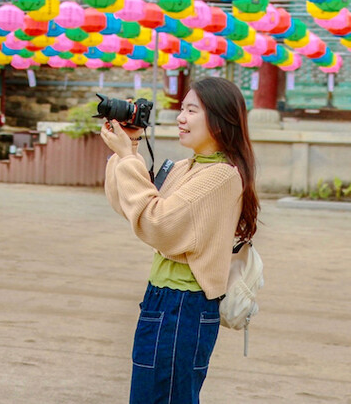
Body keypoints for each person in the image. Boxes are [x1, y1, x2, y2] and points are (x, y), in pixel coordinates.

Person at [101, 77, 259, 404]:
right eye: (182, 108)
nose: (180, 118)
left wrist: (128, 159)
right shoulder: (188, 167)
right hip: (162, 299)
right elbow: (133, 207)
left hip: (183, 305)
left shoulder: (220, 175)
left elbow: (158, 224)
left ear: (220, 120)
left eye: (192, 110)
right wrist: (128, 150)